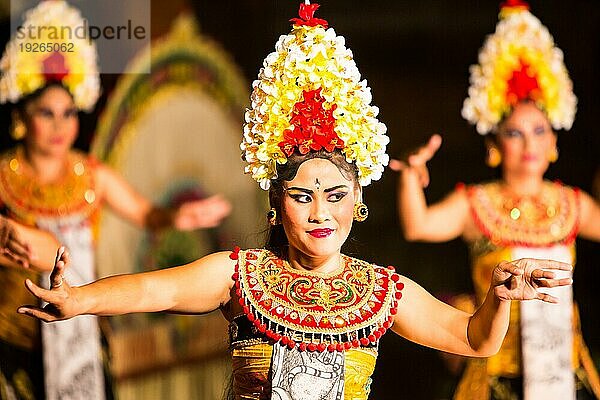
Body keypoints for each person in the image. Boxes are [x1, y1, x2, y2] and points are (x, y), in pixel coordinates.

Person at [18, 3, 573, 400]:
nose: (318, 214)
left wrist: (500, 297)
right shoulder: (240, 277)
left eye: (334, 197)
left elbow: (472, 339)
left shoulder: (383, 292)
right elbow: (152, 289)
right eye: (301, 197)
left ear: (357, 201)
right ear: (276, 204)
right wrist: (77, 302)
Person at [0, 1, 231, 399]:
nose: (60, 126)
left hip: (78, 337)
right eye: (47, 113)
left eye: (69, 113)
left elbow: (146, 214)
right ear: (22, 118)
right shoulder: (3, 176)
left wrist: (178, 217)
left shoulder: (92, 175)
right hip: (14, 338)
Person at [392, 1, 600, 399]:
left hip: (564, 373)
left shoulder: (572, 204)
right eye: (515, 133)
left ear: (554, 141)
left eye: (539, 131)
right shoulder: (476, 203)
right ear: (494, 145)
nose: (530, 144)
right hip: (495, 378)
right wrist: (410, 180)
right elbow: (418, 226)